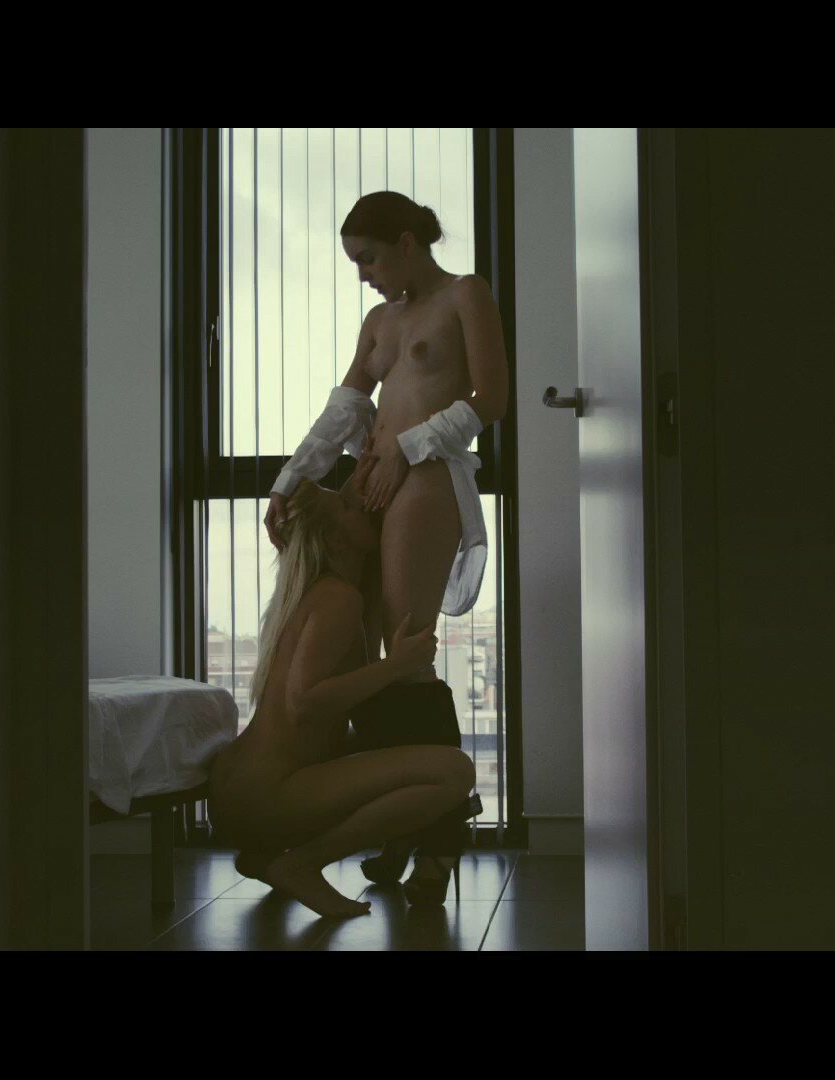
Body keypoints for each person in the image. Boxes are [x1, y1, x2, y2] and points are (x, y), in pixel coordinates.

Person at [262, 191, 509, 905]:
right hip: (369, 479)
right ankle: (405, 822)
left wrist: (407, 446)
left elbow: (491, 400)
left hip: (426, 477)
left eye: (368, 258)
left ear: (406, 242)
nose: (363, 274)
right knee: (368, 664)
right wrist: (290, 481)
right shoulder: (378, 321)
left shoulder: (465, 294)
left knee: (406, 653)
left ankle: (438, 843)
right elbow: (347, 406)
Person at [208, 476, 477, 919]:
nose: (364, 508)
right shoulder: (336, 599)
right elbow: (304, 703)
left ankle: (263, 855)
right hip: (267, 795)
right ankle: (303, 863)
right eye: (351, 509)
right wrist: (398, 665)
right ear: (335, 539)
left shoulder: (320, 593)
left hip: (241, 792)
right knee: (455, 771)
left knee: (413, 752)